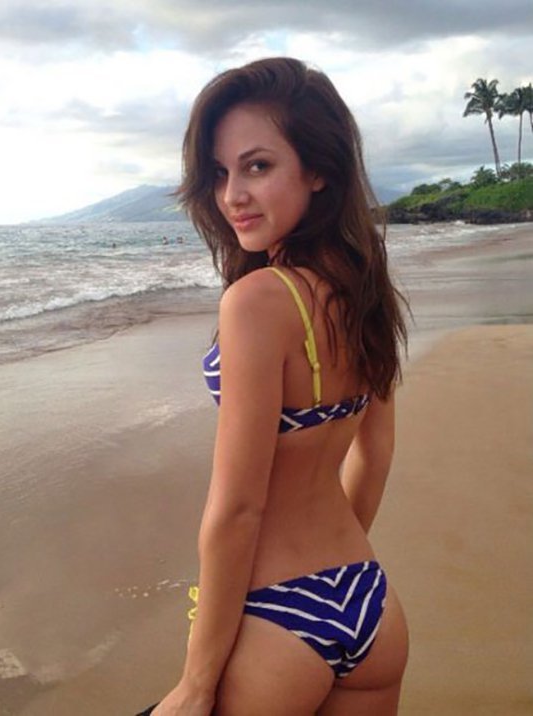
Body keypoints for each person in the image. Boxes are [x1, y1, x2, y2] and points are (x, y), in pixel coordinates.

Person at [151, 57, 409, 715]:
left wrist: (196, 683)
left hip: (277, 618)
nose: (231, 194)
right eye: (219, 173)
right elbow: (374, 454)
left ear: (318, 169)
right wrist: (334, 576)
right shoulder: (363, 290)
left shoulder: (257, 302)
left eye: (257, 166)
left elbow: (238, 508)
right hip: (368, 600)